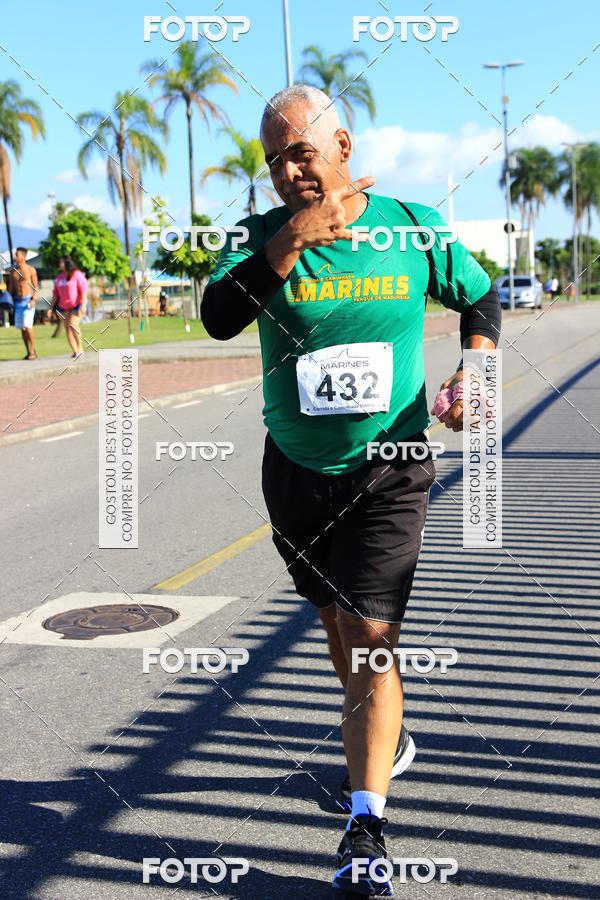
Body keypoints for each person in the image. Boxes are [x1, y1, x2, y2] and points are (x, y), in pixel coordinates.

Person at [201, 84, 501, 897]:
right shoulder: (256, 238)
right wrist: (288, 242)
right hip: (296, 472)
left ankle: (365, 829)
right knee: (337, 622)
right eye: (274, 160)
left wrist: (474, 371)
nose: (288, 171)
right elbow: (218, 316)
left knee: (371, 632)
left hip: (391, 468)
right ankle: (382, 732)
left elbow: (480, 294)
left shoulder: (410, 227)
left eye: (301, 152)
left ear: (343, 147)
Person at [51, 256, 88, 358]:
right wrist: (50, 308)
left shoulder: (77, 274)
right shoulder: (60, 277)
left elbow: (84, 290)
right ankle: (75, 351)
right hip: (64, 306)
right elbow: (55, 294)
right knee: (67, 328)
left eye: (61, 262)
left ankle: (80, 348)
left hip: (77, 305)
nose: (59, 264)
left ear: (67, 263)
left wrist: (83, 306)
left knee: (73, 324)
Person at [7, 247, 38, 360]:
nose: (15, 257)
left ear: (23, 257)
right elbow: (11, 290)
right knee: (22, 328)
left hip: (28, 300)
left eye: (17, 255)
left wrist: (34, 299)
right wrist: (7, 301)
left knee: (28, 326)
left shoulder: (30, 269)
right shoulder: (13, 272)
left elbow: (35, 287)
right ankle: (28, 351)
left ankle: (32, 351)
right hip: (18, 301)